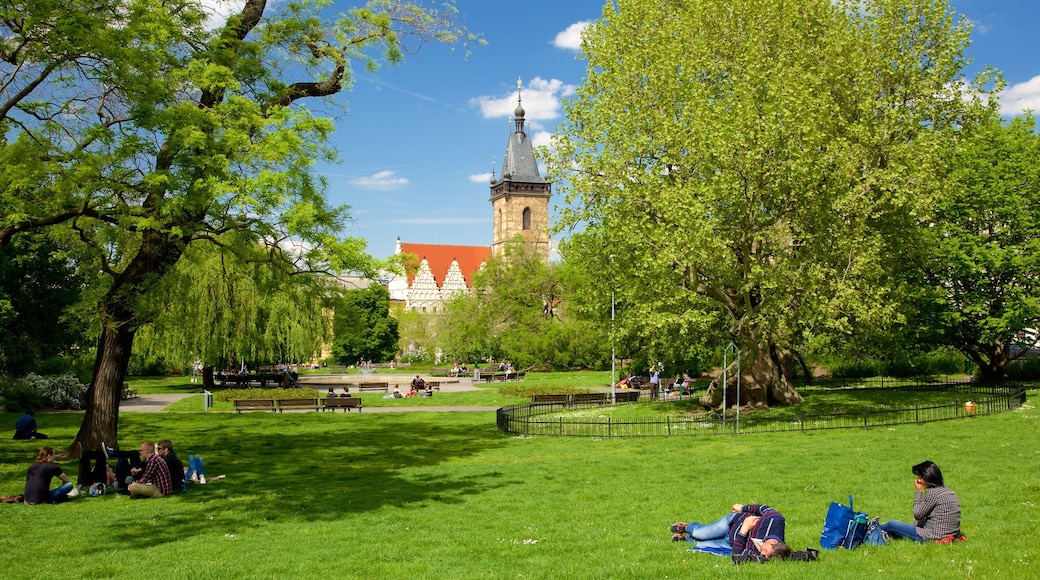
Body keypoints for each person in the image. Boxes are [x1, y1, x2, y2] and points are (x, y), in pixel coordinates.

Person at [671, 503, 791, 562]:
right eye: (766, 552)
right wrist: (743, 508)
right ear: (773, 542)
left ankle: (686, 538)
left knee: (704, 544)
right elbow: (764, 509)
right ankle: (688, 527)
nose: (763, 555)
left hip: (731, 542)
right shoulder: (775, 521)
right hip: (732, 522)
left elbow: (736, 553)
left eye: (766, 556)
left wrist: (745, 529)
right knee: (700, 533)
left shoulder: (758, 554)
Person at [879, 460, 962, 542]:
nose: (918, 480)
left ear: (927, 477)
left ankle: (871, 530)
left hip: (933, 536)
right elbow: (925, 519)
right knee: (900, 527)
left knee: (892, 524)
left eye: (920, 477)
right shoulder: (949, 491)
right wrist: (907, 526)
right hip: (951, 535)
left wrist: (918, 492)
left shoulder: (933, 493)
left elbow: (918, 514)